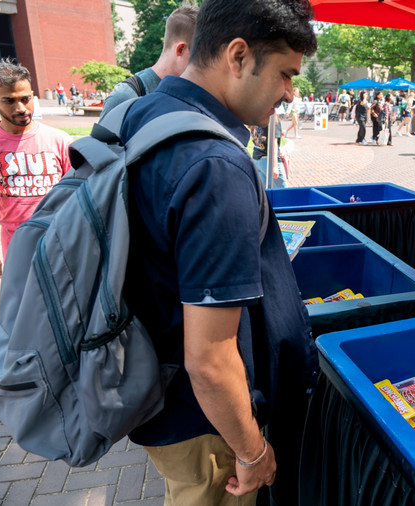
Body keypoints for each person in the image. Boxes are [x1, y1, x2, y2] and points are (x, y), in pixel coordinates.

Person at [116, 1, 318, 504]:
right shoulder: (214, 165)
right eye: (285, 74)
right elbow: (208, 357)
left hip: (159, 391)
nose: (291, 93)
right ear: (238, 55)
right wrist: (251, 452)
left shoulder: (148, 108)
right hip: (205, 420)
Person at [0, 59, 71, 282]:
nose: (21, 108)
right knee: (26, 311)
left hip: (63, 243)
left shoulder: (60, 140)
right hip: (17, 248)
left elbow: (81, 192)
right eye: (9, 101)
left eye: (26, 99)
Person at [100, 4, 198, 118]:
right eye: (199, 55)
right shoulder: (125, 97)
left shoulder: (190, 98)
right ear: (180, 49)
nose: (203, 64)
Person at [252, 116, 287, 189]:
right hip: (268, 160)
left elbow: (254, 139)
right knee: (283, 192)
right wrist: (275, 166)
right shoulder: (273, 119)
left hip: (257, 158)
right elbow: (274, 143)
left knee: (265, 193)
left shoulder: (256, 118)